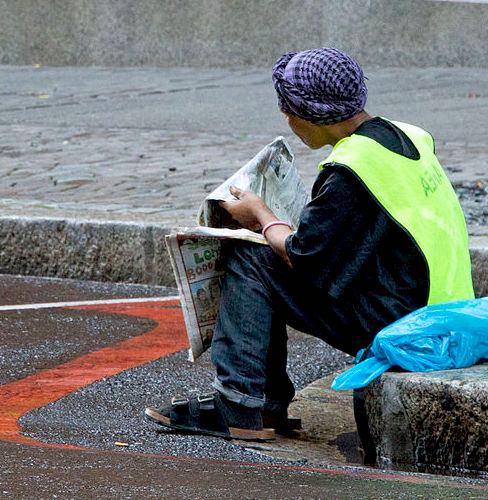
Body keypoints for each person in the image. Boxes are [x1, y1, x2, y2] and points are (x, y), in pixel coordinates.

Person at [144, 47, 474, 441]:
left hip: (408, 329)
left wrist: (261, 216)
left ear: (312, 114)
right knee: (267, 253)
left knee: (252, 258)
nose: (287, 119)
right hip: (447, 312)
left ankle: (238, 405)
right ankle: (266, 403)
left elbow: (304, 258)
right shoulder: (409, 136)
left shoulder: (352, 170)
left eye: (289, 110)